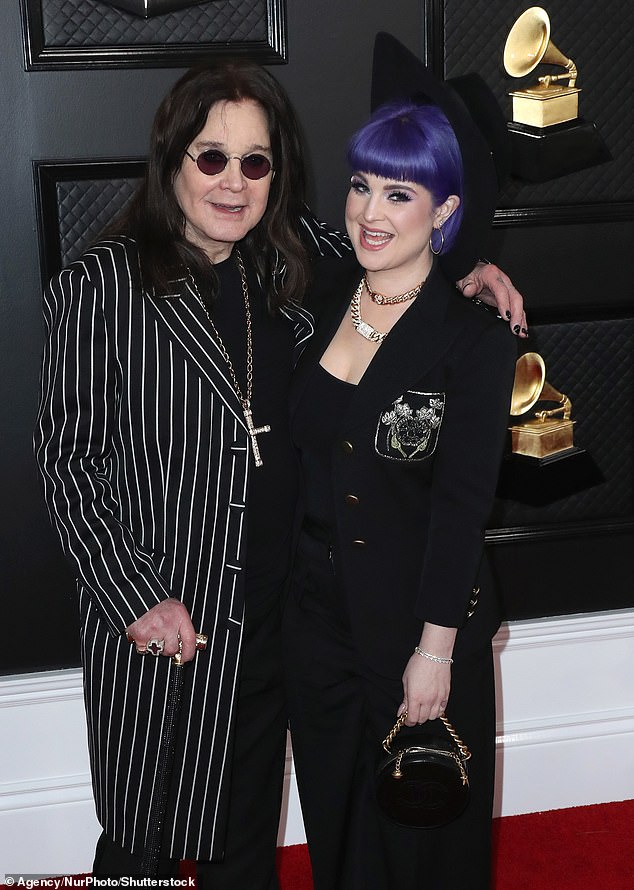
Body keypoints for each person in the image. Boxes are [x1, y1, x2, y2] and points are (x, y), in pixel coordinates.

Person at [34, 53, 523, 886]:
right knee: (142, 836)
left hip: (272, 625)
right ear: (172, 162)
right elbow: (70, 465)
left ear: (276, 174)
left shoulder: (293, 262)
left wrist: (474, 265)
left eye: (255, 162)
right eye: (211, 158)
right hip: (167, 620)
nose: (234, 183)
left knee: (244, 844)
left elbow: (398, 245)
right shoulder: (100, 287)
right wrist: (134, 598)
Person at [283, 36, 518, 890]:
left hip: (415, 623)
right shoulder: (316, 288)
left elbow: (463, 504)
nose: (370, 212)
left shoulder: (474, 342)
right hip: (312, 623)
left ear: (444, 211)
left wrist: (437, 648)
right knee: (337, 818)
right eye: (360, 185)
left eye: (399, 192)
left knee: (421, 839)